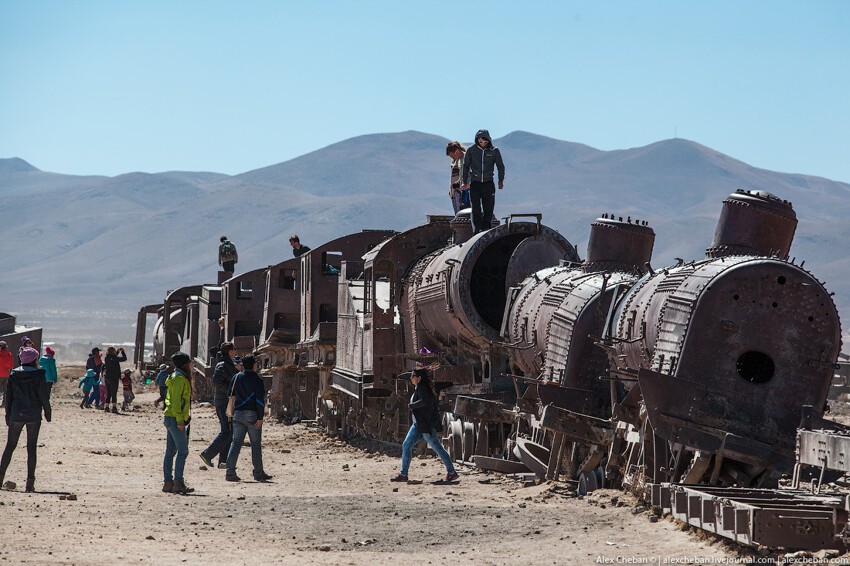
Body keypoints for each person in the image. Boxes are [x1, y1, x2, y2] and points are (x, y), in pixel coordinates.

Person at [391, 364, 458, 483]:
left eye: (413, 376)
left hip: (425, 425)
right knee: (406, 446)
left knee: (437, 448)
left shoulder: (423, 389)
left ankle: (452, 472)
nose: (411, 378)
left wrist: (412, 405)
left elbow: (425, 403)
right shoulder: (420, 388)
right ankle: (403, 474)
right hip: (418, 425)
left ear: (419, 378)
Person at [0, 347, 51, 493]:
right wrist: (48, 412)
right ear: (34, 360)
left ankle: (0, 479)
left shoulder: (14, 374)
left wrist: (8, 415)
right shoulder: (39, 375)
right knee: (31, 448)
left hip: (16, 414)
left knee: (10, 447)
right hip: (33, 415)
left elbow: (8, 398)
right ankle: (29, 484)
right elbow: (43, 396)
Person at [224, 354, 271, 483]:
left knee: (236, 443)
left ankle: (230, 472)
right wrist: (260, 418)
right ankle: (258, 473)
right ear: (254, 365)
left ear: (243, 365)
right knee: (255, 445)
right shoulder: (257, 380)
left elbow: (230, 394)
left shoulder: (236, 377)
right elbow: (260, 401)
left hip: (238, 414)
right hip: (252, 415)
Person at [200, 342, 237, 470]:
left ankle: (223, 461)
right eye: (234, 349)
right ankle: (207, 454)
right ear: (230, 351)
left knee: (229, 431)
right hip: (223, 402)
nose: (236, 351)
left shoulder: (227, 364)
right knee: (227, 430)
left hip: (225, 402)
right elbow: (216, 382)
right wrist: (229, 392)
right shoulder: (223, 365)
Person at [461, 129, 505, 234]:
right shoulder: (471, 150)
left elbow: (500, 166)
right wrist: (464, 181)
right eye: (480, 142)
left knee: (488, 209)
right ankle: (476, 230)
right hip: (475, 183)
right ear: (477, 140)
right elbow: (466, 166)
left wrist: (500, 180)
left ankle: (486, 230)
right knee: (475, 208)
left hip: (488, 183)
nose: (483, 144)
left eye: (485, 142)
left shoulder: (494, 151)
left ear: (489, 140)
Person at [162, 352, 194, 495]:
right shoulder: (180, 379)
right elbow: (176, 402)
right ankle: (178, 482)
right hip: (175, 418)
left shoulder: (174, 377)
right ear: (184, 364)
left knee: (170, 452)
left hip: (170, 417)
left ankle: (168, 483)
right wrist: (180, 420)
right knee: (183, 451)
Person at [446, 141, 470, 214]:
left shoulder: (466, 158)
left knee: (465, 214)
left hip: (464, 191)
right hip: (457, 191)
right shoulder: (458, 161)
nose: (453, 158)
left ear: (456, 151)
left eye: (452, 156)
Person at [102, 347, 127, 414]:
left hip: (107, 377)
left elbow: (113, 358)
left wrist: (118, 352)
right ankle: (114, 407)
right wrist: (122, 352)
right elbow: (124, 358)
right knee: (114, 393)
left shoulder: (106, 358)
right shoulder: (115, 358)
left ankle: (106, 407)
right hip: (114, 378)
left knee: (109, 393)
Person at [0, 342, 13, 408]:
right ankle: (4, 403)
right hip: (6, 374)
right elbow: (11, 365)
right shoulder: (9, 354)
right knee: (6, 390)